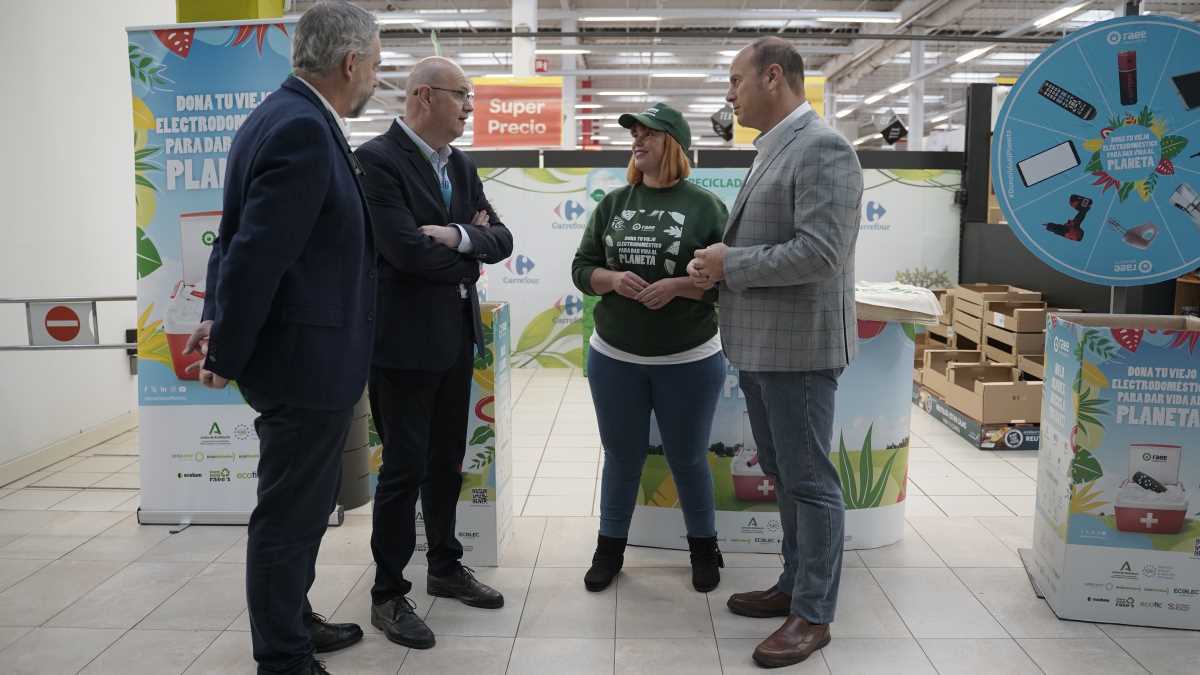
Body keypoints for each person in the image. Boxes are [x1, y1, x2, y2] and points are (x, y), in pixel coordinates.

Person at [184, 3, 381, 674]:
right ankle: (284, 656)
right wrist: (226, 349)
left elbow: (231, 238)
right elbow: (254, 255)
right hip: (305, 364)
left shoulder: (281, 115)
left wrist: (222, 328)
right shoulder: (300, 127)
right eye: (376, 66)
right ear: (350, 63)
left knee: (303, 508)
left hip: (308, 358)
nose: (375, 81)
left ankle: (294, 619)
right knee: (289, 517)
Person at [688, 37, 863, 669]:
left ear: (772, 77)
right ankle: (794, 584)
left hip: (800, 350)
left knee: (811, 482)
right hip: (764, 347)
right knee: (787, 477)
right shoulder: (775, 149)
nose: (729, 94)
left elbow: (819, 254)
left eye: (735, 80)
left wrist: (729, 264)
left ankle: (814, 613)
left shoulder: (824, 148)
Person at [355, 56, 513, 650]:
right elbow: (403, 252)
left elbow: (503, 237)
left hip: (454, 340)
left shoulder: (460, 165)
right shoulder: (375, 162)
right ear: (424, 96)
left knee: (448, 461)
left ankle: (444, 567)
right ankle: (388, 593)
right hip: (400, 345)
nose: (470, 107)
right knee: (403, 470)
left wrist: (458, 237)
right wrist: (470, 251)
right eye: (462, 95)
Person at [571, 102, 729, 594]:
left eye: (649, 135)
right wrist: (613, 278)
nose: (637, 143)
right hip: (615, 357)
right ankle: (609, 548)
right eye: (634, 135)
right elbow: (582, 269)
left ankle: (704, 548)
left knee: (687, 458)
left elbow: (730, 282)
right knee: (621, 456)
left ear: (673, 144)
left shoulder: (706, 207)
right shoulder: (614, 203)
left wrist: (678, 287)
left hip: (689, 359)